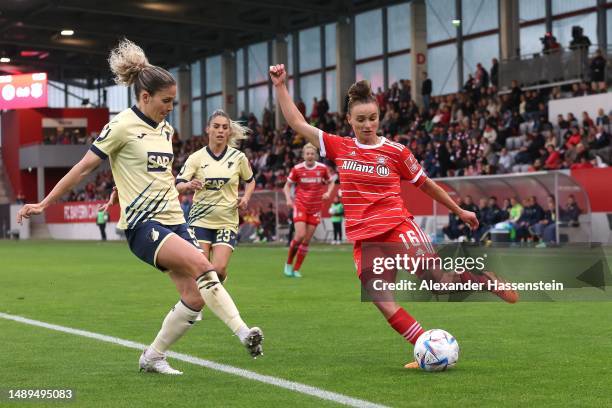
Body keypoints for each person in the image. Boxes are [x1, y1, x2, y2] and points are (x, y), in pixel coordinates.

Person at [18, 39, 263, 376]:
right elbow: (83, 168)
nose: (170, 108)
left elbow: (151, 173)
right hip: (144, 226)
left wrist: (138, 186)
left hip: (176, 220)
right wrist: (45, 202)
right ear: (145, 97)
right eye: (166, 101)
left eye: (173, 102)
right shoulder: (120, 127)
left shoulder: (166, 130)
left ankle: (152, 356)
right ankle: (244, 332)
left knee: (194, 297)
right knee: (202, 265)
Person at [269, 63, 518, 369]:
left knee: (438, 283)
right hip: (365, 239)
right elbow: (296, 122)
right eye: (360, 119)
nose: (367, 124)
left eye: (372, 118)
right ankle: (425, 349)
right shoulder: (339, 147)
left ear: (379, 118)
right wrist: (280, 85)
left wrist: (459, 209)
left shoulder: (396, 152)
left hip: (398, 227)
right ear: (349, 120)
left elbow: (425, 184)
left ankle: (486, 280)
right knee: (382, 301)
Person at [176, 109, 255, 284]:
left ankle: (219, 281)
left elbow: (250, 181)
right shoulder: (196, 158)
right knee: (201, 270)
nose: (220, 130)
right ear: (208, 129)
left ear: (229, 131)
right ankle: (196, 309)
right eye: (216, 126)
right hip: (200, 221)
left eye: (224, 127)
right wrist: (189, 185)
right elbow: (178, 184)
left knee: (218, 269)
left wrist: (246, 198)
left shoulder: (238, 157)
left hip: (227, 220)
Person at [282, 143, 334, 277]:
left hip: (315, 208)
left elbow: (332, 181)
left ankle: (296, 269)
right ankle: (288, 264)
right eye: (307, 154)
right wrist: (288, 199)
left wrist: (328, 192)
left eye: (312, 154)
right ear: (304, 155)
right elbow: (287, 186)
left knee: (306, 241)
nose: (310, 156)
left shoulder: (322, 168)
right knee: (299, 236)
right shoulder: (297, 169)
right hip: (300, 205)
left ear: (315, 155)